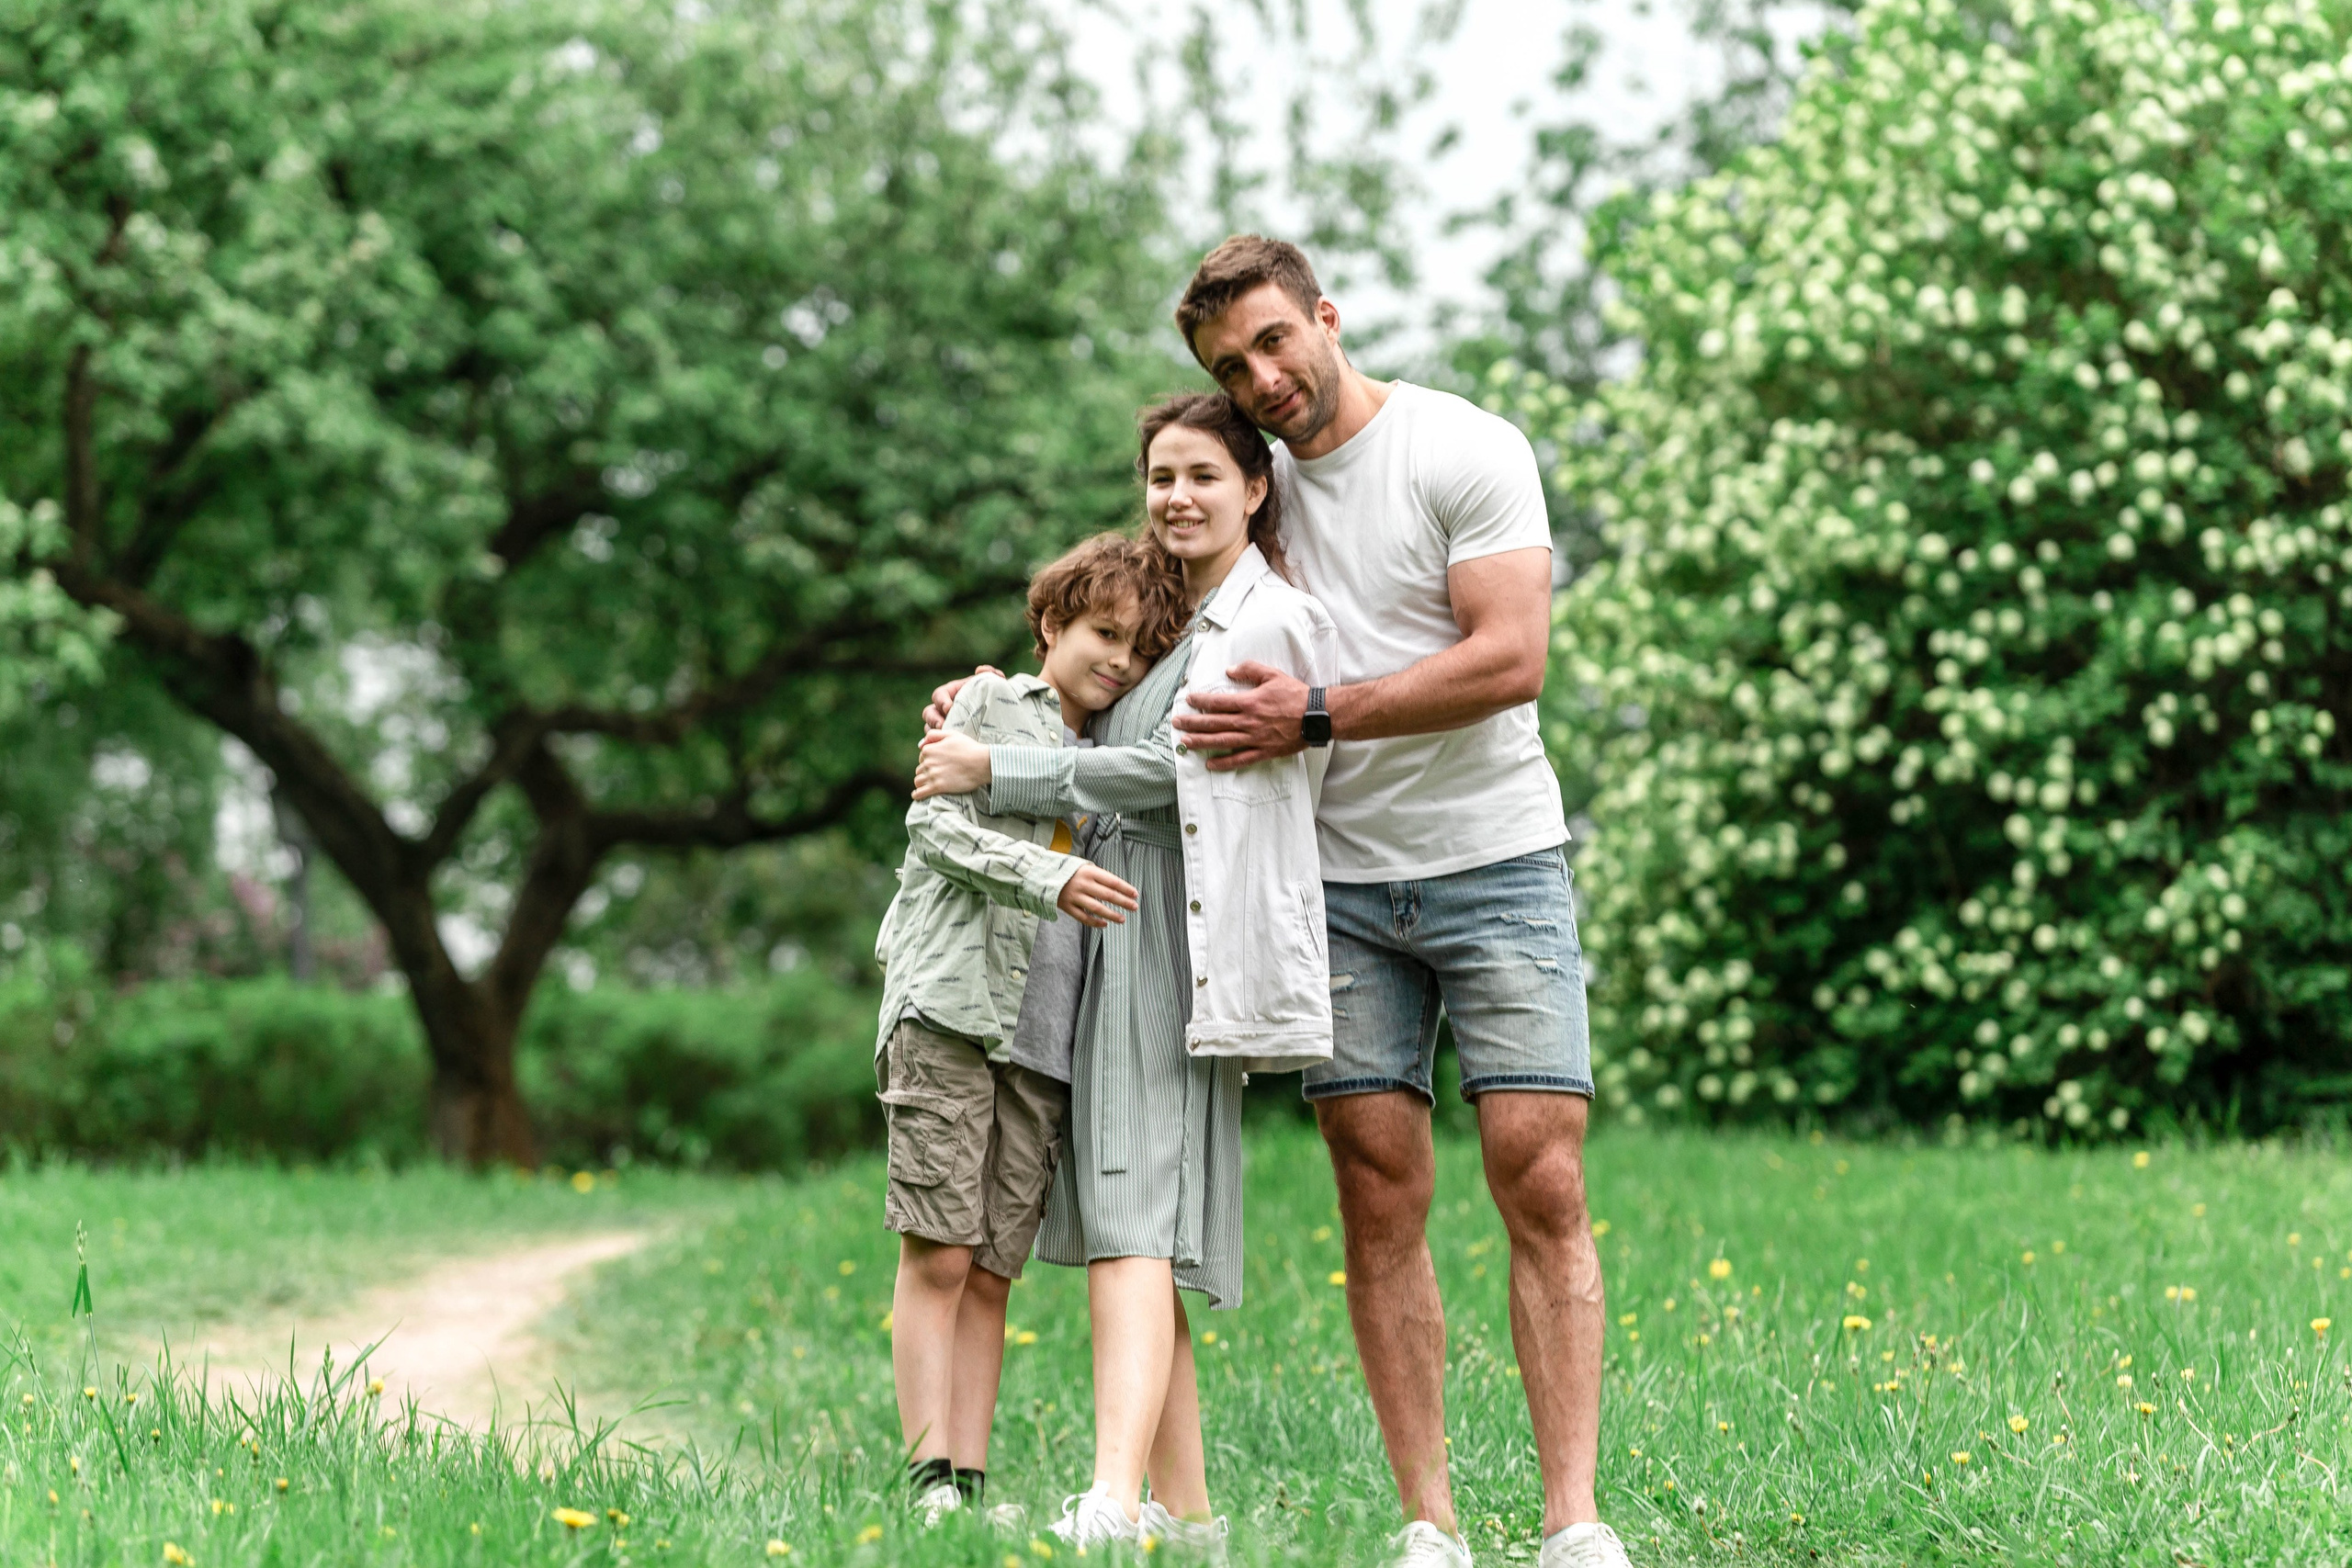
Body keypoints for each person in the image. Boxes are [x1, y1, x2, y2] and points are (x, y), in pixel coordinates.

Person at [1167, 236, 1633, 1568]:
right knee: (1379, 1194)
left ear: (1324, 315)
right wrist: (996, 706)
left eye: (1272, 342)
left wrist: (1313, 714)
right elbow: (1139, 604)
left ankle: (1573, 1519)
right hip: (1337, 885)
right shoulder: (1254, 493)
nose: (1261, 377)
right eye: (1229, 368)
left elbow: (1512, 657)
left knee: (1539, 1170)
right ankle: (1430, 1522)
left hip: (1498, 858)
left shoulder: (1462, 446)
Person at [914, 392, 1335, 1555]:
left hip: (1159, 928)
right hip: (1110, 923)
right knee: (1130, 1210)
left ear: (1257, 487)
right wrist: (995, 699)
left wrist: (988, 763)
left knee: (1132, 1221)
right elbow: (1091, 721)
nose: (1177, 495)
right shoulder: (1168, 618)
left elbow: (1162, 768)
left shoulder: (1263, 620)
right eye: (1160, 476)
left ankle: (1109, 1500)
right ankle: (1187, 1515)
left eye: (1203, 473)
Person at [875, 534, 1187, 1528]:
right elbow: (933, 827)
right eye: (1102, 634)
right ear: (1050, 625)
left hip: (1045, 1044)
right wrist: (1048, 875)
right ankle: (927, 1485)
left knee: (992, 1271)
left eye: (1136, 651)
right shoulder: (983, 707)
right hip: (952, 1011)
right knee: (937, 1249)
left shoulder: (1112, 758)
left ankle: (968, 1486)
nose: (1117, 662)